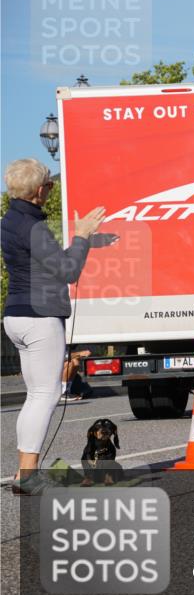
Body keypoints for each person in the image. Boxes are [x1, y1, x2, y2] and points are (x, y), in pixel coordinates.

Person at [2, 159, 107, 494]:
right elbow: (67, 272)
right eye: (48, 183)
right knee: (46, 395)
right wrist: (82, 236)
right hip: (39, 317)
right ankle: (28, 475)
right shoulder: (32, 225)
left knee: (36, 396)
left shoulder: (12, 219)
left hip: (16, 315)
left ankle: (25, 473)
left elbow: (42, 262)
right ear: (38, 191)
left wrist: (90, 242)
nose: (50, 188)